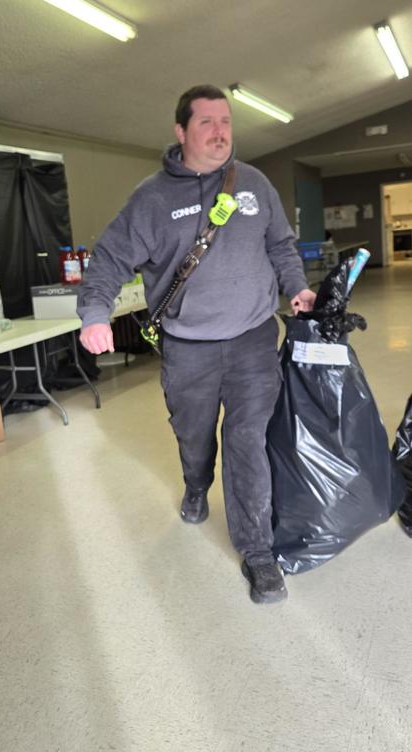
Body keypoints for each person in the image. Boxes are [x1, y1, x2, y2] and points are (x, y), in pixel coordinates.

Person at [77, 84, 316, 604]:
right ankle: (195, 482)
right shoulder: (152, 199)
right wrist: (95, 312)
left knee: (247, 440)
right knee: (194, 438)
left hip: (253, 338)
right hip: (189, 348)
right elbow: (110, 258)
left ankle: (258, 552)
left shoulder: (253, 183)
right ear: (181, 132)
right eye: (206, 122)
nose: (220, 131)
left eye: (226, 121)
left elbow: (280, 244)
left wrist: (296, 286)